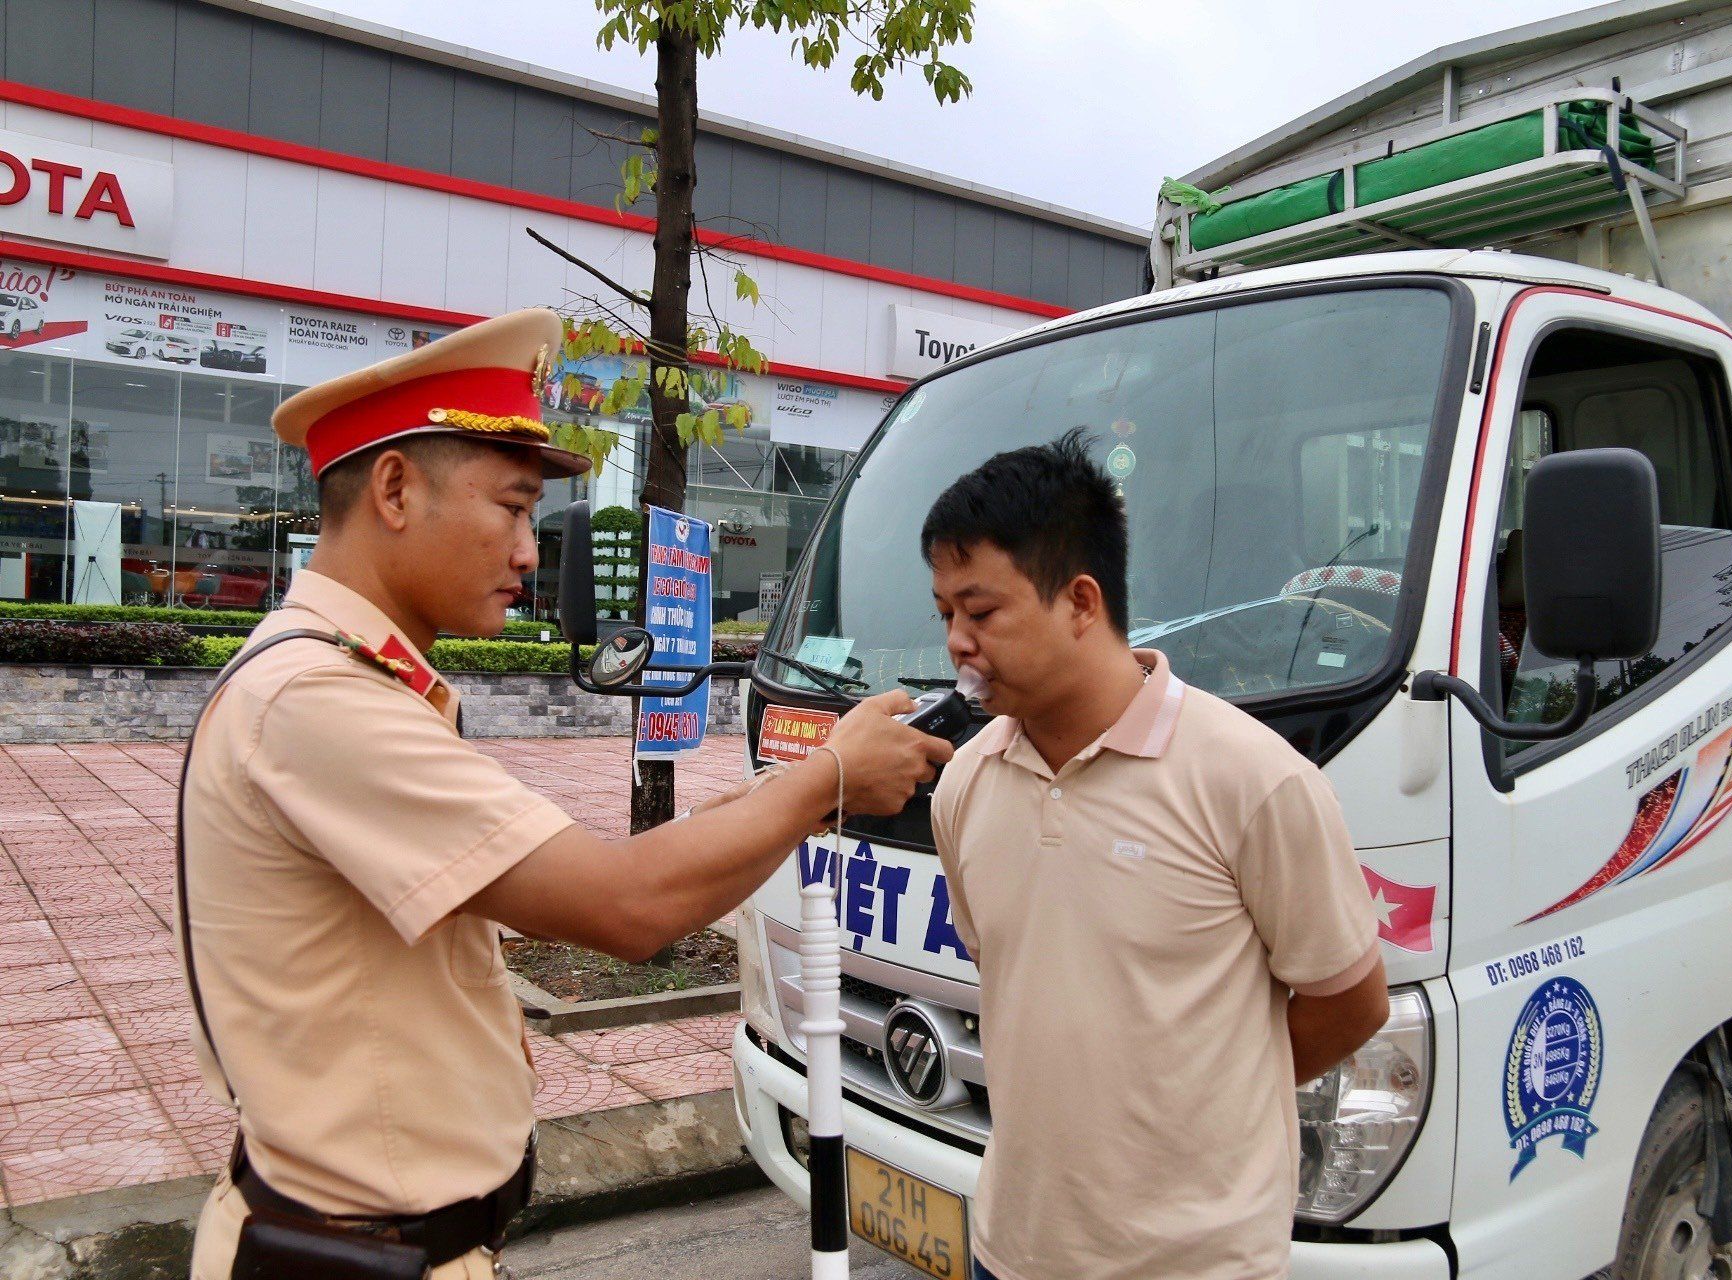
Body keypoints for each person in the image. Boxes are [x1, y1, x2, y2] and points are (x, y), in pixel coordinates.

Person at [179, 308, 952, 1279]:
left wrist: (810, 781)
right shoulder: (317, 701)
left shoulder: (342, 682)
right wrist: (832, 778)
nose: (527, 551)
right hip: (357, 1253)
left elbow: (595, 872)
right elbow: (624, 903)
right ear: (393, 489)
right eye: (509, 507)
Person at [925, 430, 1390, 1280]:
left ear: (1081, 602)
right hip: (1012, 1248)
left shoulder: (1253, 781)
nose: (958, 640)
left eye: (982, 611)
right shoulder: (965, 788)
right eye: (945, 613)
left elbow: (1350, 1004)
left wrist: (1207, 1099)